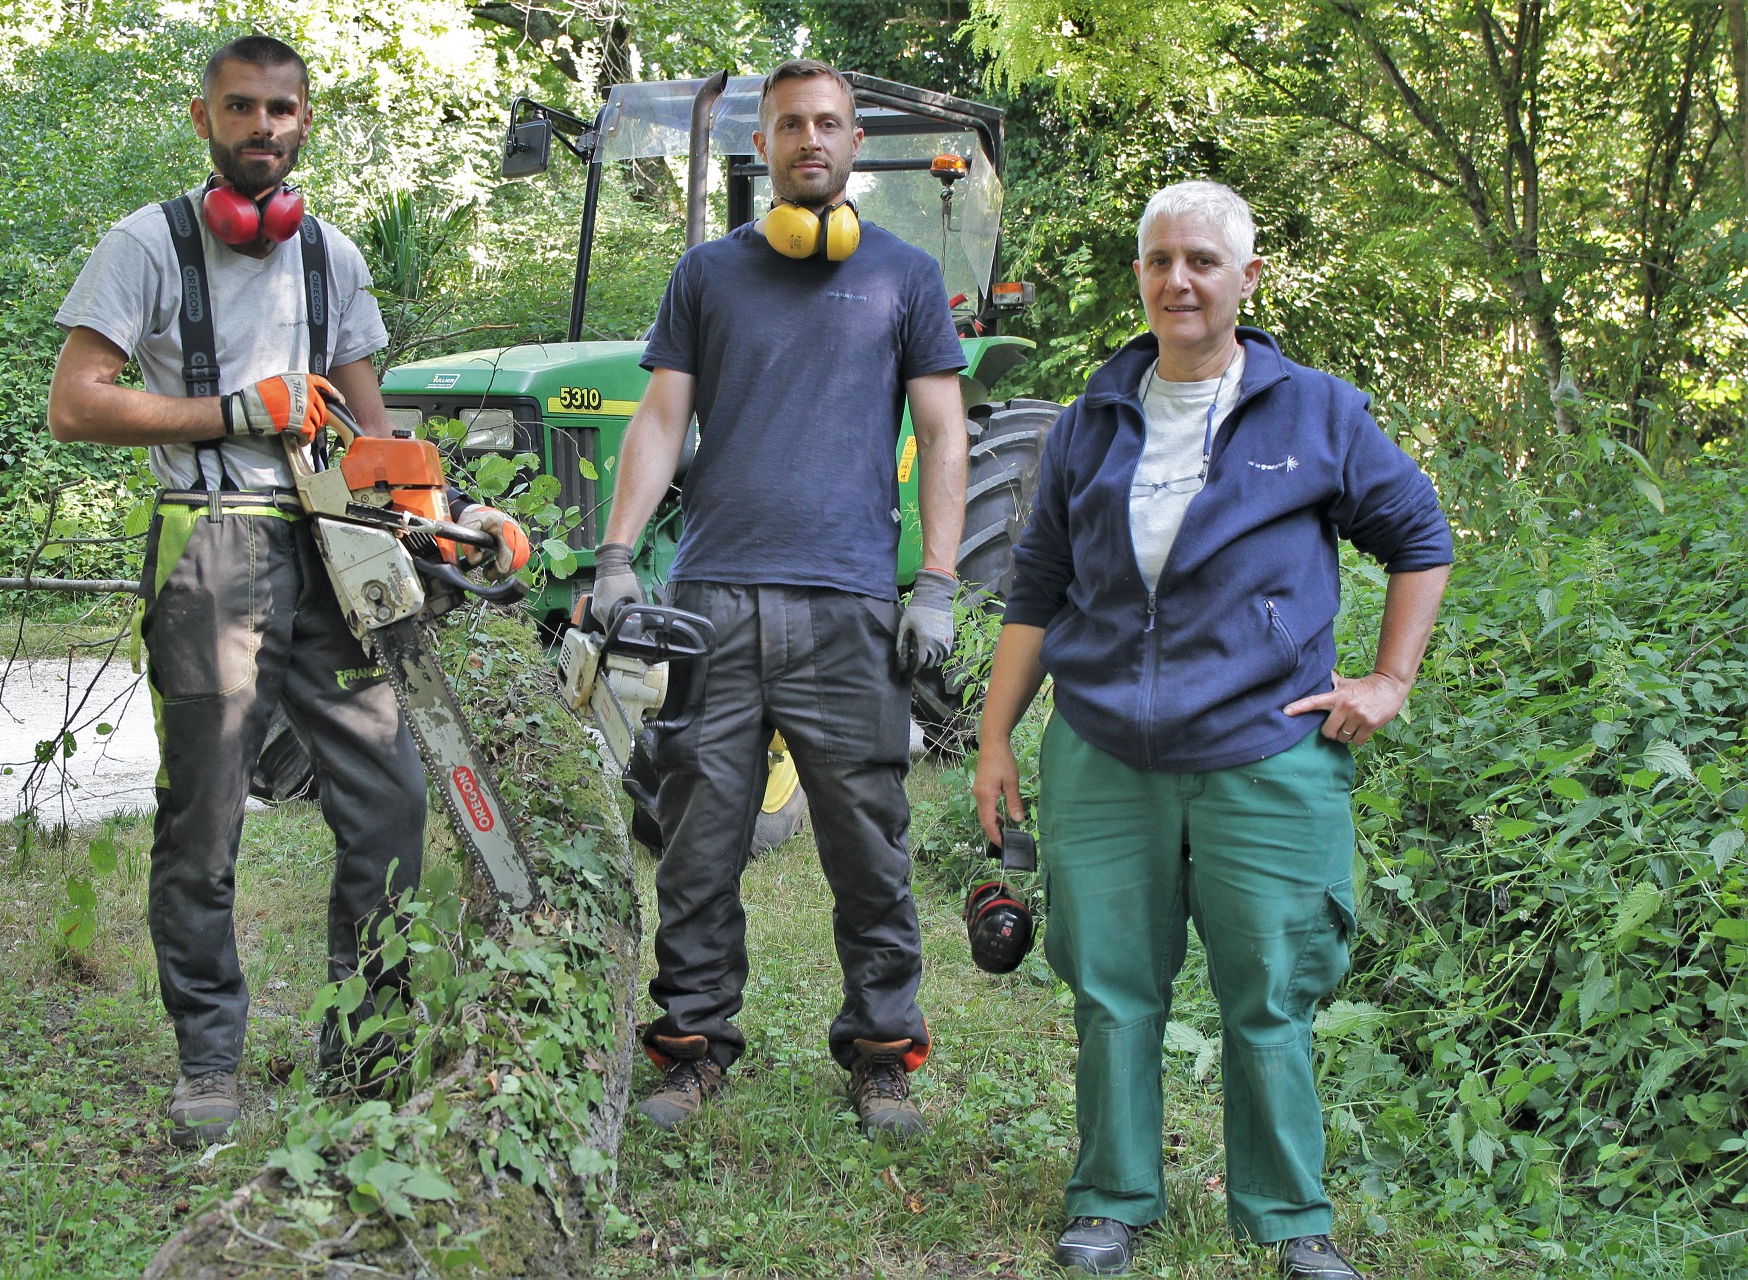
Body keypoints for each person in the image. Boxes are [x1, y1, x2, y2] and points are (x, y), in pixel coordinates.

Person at [973, 181, 1452, 1279]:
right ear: (1139, 276)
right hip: (1100, 748)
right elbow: (1037, 588)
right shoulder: (1093, 418)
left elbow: (1420, 536)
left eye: (1200, 260)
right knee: (1111, 983)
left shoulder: (1318, 411)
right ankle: (1110, 1199)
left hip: (1268, 752)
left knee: (1270, 990)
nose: (1178, 280)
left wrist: (1388, 678)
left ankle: (1291, 1220)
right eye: (1158, 261)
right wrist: (998, 738)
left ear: (1246, 278)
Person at [46, 35, 518, 1146]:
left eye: (283, 109)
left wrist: (456, 518)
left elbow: (380, 436)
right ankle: (209, 1058)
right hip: (208, 544)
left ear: (308, 119)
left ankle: (363, 1053)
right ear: (204, 115)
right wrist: (235, 411)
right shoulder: (144, 246)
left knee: (390, 800)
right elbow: (76, 402)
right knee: (205, 818)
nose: (264, 126)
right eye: (243, 108)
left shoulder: (331, 258)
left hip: (331, 548)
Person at [591, 58, 970, 1137]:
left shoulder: (902, 274)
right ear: (763, 146)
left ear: (855, 145)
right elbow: (661, 418)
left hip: (850, 605)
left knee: (870, 844)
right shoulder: (706, 273)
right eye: (792, 124)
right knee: (698, 838)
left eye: (831, 124)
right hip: (712, 598)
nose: (812, 139)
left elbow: (944, 432)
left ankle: (882, 1052)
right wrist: (619, 555)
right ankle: (691, 1046)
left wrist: (934, 580)